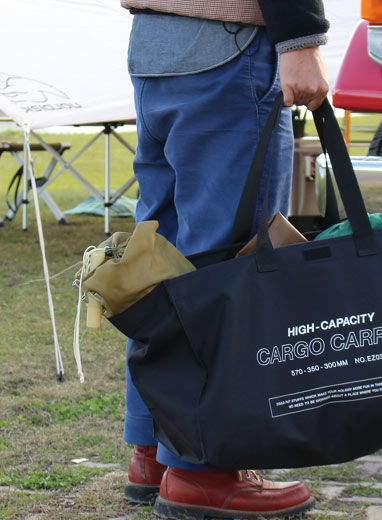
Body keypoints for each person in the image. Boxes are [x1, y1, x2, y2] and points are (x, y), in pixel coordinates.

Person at [119, 1, 330, 518]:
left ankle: (155, 451)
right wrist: (301, 39)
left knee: (162, 258)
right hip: (229, 45)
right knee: (230, 263)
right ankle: (203, 472)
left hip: (155, 43)